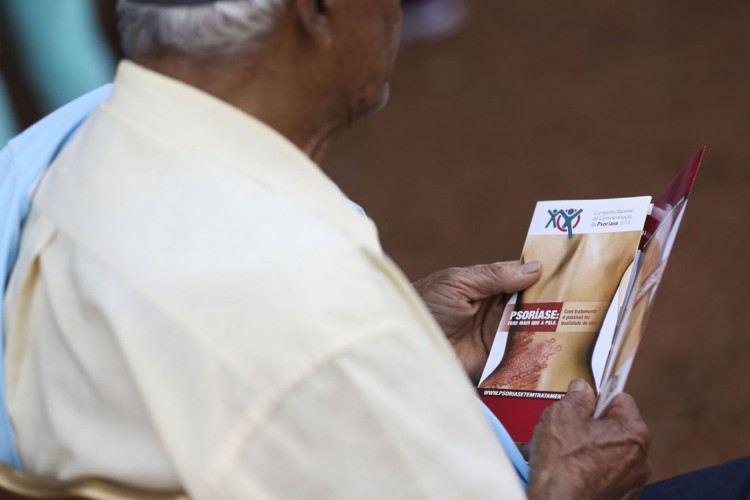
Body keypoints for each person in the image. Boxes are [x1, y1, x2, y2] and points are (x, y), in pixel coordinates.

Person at [4, 0, 722, 497]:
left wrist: (399, 343)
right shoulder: (319, 309)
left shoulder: (53, 147)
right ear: (316, 10)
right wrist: (569, 492)